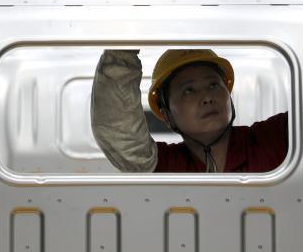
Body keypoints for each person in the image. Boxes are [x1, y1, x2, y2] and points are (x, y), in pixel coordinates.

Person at [90, 49, 287, 173]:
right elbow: (119, 133)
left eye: (213, 85)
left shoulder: (273, 139)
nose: (207, 97)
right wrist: (123, 47)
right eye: (189, 90)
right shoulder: (165, 166)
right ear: (167, 116)